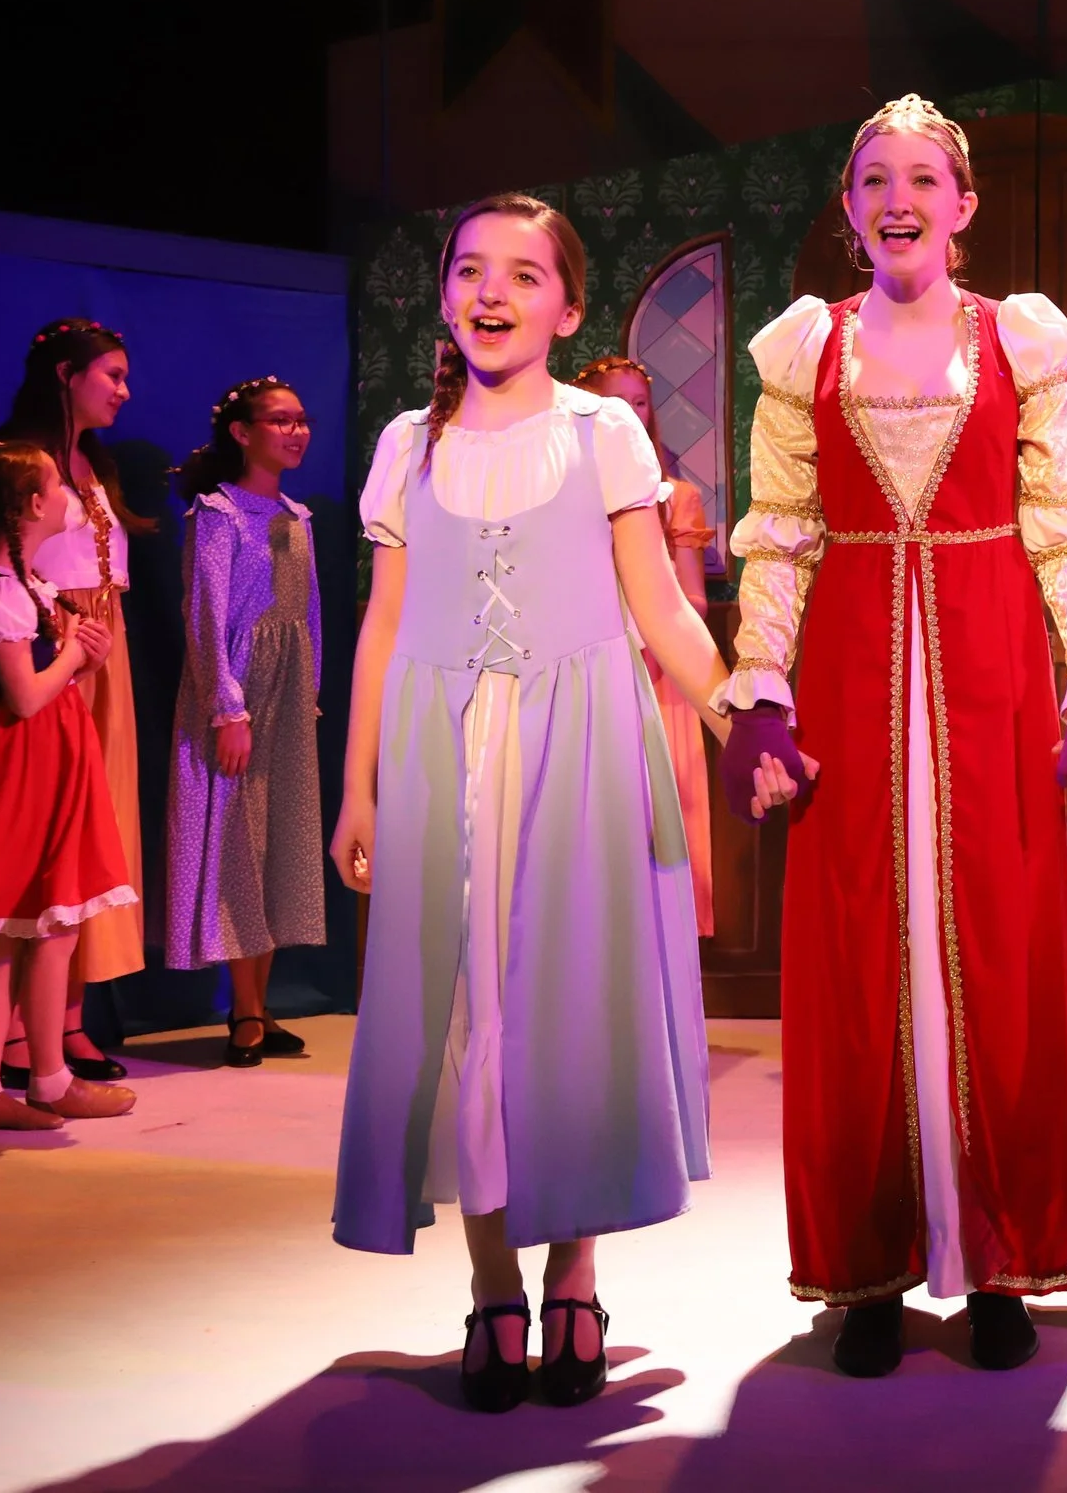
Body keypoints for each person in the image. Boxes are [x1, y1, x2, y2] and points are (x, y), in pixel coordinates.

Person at [717, 95, 1067, 1379]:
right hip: (850, 661)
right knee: (857, 956)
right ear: (847, 211)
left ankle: (1001, 1256)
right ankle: (869, 1269)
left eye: (923, 178)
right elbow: (782, 525)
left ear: (962, 206)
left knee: (996, 945)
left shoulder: (1022, 342)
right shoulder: (806, 352)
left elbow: (1062, 516)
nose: (898, 198)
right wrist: (762, 688)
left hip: (988, 658)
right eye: (872, 179)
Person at [328, 192, 732, 1414]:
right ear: (448, 294)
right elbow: (388, 624)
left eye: (520, 272)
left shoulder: (603, 430)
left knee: (568, 1020)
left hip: (582, 745)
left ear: (566, 303)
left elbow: (660, 607)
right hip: (444, 754)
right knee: (470, 1025)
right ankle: (493, 1286)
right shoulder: (410, 442)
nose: (490, 290)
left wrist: (748, 715)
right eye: (467, 269)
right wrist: (358, 786)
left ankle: (577, 1274)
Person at [0, 320, 148, 1086]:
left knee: (91, 830)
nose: (122, 389)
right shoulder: (16, 465)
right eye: (109, 373)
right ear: (65, 373)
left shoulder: (93, 462)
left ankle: (66, 1022)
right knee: (38, 833)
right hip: (46, 645)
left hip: (90, 646)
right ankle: (17, 1040)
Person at [166, 377, 326, 1068]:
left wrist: (307, 691)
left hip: (287, 697)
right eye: (279, 420)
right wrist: (227, 707)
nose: (295, 432)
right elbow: (206, 612)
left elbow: (308, 611)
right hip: (234, 690)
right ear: (242, 431)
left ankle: (257, 1005)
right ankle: (245, 1009)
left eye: (301, 420)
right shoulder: (218, 513)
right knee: (235, 837)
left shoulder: (296, 514)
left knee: (274, 843)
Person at [573, 356, 717, 942]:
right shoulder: (564, 489)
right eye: (617, 402)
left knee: (659, 822)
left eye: (640, 403)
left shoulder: (673, 496)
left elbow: (694, 601)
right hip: (581, 666)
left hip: (657, 670)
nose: (630, 414)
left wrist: (647, 619)